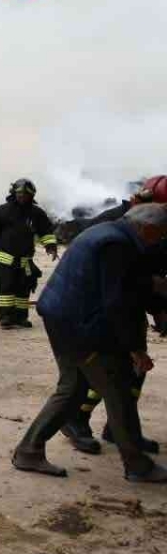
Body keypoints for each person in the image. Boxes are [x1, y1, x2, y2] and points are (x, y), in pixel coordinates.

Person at [12, 204, 167, 482]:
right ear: (148, 228)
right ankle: (137, 465)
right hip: (81, 325)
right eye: (161, 234)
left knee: (73, 388)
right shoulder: (117, 245)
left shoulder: (110, 232)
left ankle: (29, 451)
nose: (161, 240)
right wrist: (135, 348)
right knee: (119, 389)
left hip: (62, 317)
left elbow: (129, 289)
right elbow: (118, 302)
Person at [59, 176, 167, 455]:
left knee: (133, 371)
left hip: (129, 305)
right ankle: (76, 419)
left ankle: (120, 429)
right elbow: (118, 284)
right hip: (101, 309)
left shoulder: (155, 228)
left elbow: (153, 274)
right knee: (104, 371)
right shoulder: (116, 228)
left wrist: (158, 308)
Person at [0, 179, 57, 329]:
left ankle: (20, 318)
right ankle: (6, 317)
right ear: (14, 193)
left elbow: (45, 231)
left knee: (23, 289)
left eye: (25, 194)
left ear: (31, 195)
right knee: (6, 288)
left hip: (25, 260)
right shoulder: (2, 211)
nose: (22, 196)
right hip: (5, 258)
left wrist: (51, 246)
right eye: (19, 193)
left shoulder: (36, 213)